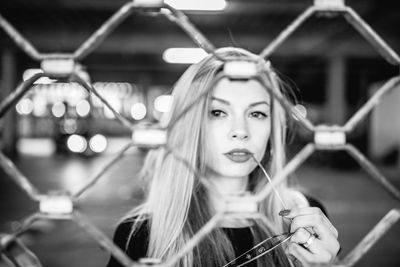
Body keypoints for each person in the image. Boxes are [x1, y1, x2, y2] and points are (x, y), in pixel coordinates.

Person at [107, 47, 340, 267]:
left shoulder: (307, 218)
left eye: (257, 113)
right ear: (189, 125)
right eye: (217, 112)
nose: (241, 130)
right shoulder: (140, 235)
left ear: (272, 129)